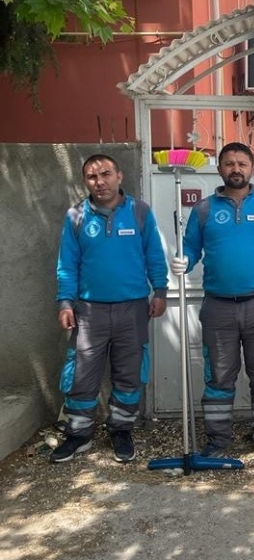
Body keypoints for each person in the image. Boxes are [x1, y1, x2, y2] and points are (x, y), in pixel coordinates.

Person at [170, 142, 254, 463]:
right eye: (229, 164)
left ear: (252, 168)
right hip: (219, 307)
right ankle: (217, 441)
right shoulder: (203, 209)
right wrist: (183, 260)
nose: (236, 169)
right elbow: (191, 248)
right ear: (219, 168)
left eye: (242, 163)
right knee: (218, 375)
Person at [53, 154, 168, 463]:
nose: (99, 181)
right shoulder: (76, 216)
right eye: (92, 177)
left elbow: (154, 255)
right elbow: (68, 264)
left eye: (105, 174)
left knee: (129, 373)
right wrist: (65, 302)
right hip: (89, 311)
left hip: (133, 308)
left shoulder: (140, 212)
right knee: (81, 374)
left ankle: (121, 431)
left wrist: (160, 290)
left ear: (119, 176)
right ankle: (78, 435)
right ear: (85, 182)